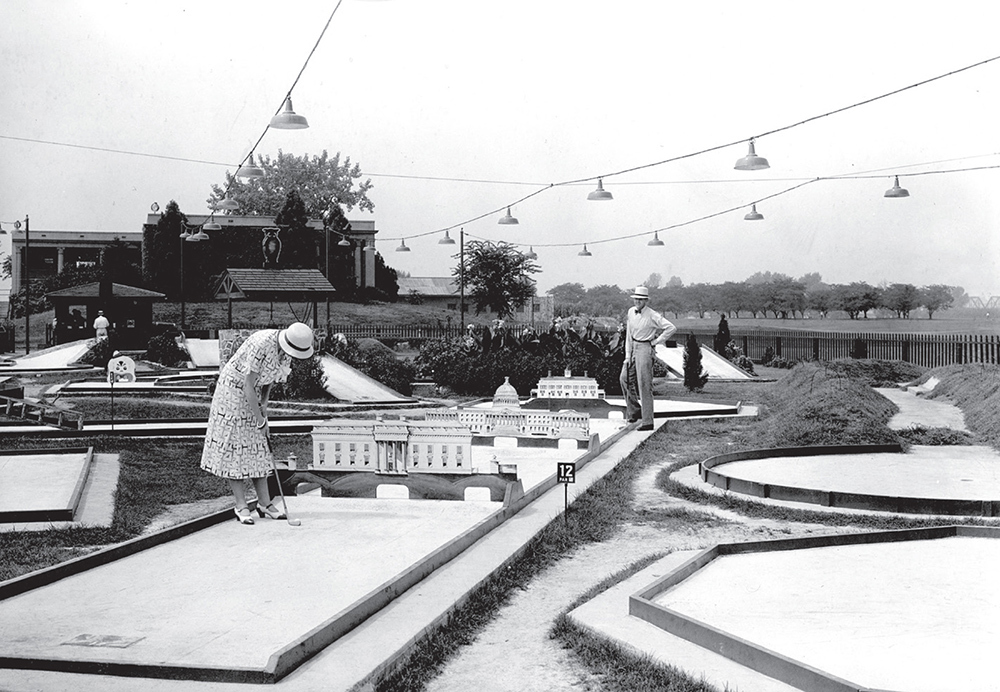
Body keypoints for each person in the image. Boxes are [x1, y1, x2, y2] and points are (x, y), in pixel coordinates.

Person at [200, 322, 315, 524]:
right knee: (235, 447)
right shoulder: (261, 344)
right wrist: (260, 420)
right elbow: (247, 385)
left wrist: (264, 407)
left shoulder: (287, 349)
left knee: (258, 447)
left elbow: (269, 379)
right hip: (233, 391)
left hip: (254, 392)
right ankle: (241, 505)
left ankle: (265, 503)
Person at [620, 285, 676, 431]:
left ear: (646, 301)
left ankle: (647, 421)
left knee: (644, 384)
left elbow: (670, 327)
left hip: (645, 348)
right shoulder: (631, 312)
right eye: (636, 299)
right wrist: (627, 356)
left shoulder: (652, 315)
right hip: (633, 347)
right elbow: (628, 335)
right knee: (624, 378)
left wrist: (656, 341)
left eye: (640, 299)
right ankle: (634, 411)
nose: (637, 302)